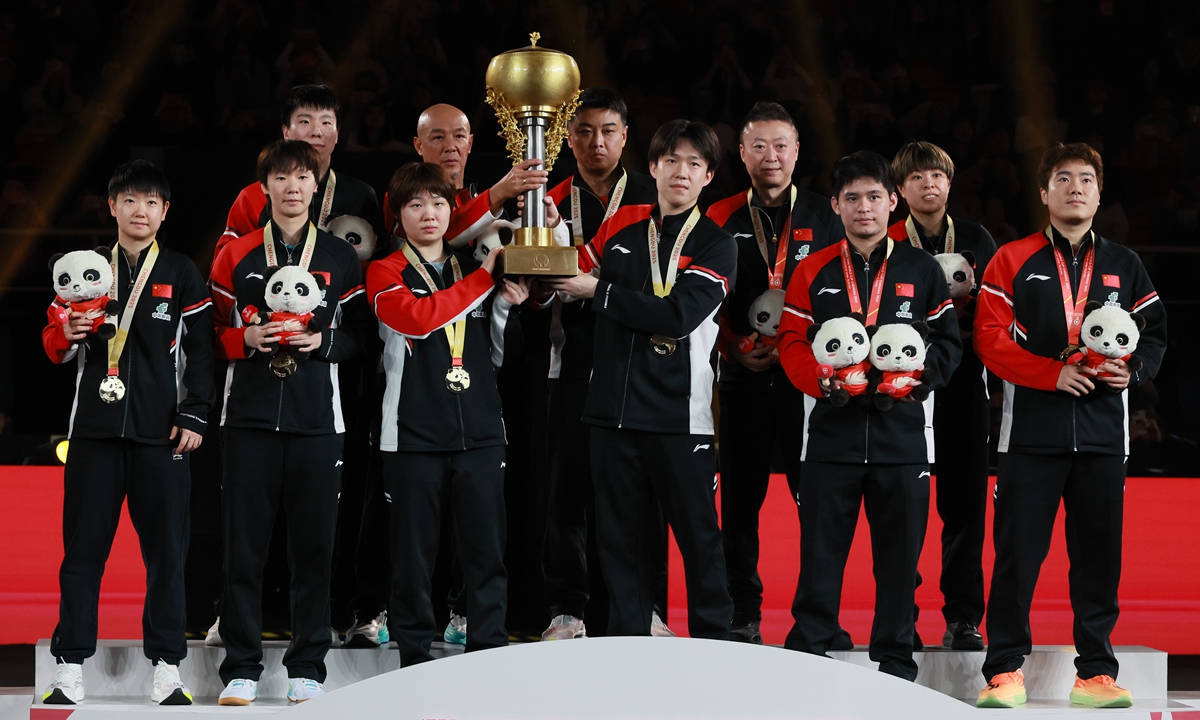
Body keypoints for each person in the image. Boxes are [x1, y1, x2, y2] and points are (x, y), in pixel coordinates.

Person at [974, 143, 1167, 709]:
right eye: (1063, 178)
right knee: (1017, 557)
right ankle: (1004, 670)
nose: (1075, 187)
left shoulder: (1125, 264)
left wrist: (1133, 371)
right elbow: (988, 338)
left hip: (1105, 437)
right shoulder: (1011, 259)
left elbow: (1154, 332)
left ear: (1100, 194)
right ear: (1044, 192)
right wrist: (1050, 374)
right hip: (1030, 437)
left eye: (1086, 179)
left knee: (1098, 560)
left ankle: (1096, 674)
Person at [202, 83, 385, 650]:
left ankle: (311, 658)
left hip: (319, 413)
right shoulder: (236, 253)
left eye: (302, 177)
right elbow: (207, 332)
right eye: (281, 177)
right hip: (248, 412)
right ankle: (239, 656)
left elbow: (361, 333)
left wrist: (324, 342)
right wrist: (244, 338)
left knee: (315, 542)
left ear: (315, 182)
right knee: (244, 542)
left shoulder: (340, 252)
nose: (292, 186)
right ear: (264, 186)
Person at [775, 150, 962, 681]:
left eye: (874, 197)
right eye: (852, 198)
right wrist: (819, 379)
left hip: (902, 441)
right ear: (835, 205)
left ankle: (897, 663)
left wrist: (922, 378)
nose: (864, 207)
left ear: (892, 201)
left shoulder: (921, 269)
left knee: (900, 564)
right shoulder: (812, 269)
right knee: (819, 559)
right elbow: (791, 341)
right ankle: (808, 657)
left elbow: (948, 342)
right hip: (829, 439)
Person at [548, 119, 736, 639]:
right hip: (611, 412)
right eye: (671, 161)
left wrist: (599, 291)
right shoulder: (622, 233)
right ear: (652, 167)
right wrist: (549, 229)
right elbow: (569, 273)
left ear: (708, 176)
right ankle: (629, 645)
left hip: (681, 415)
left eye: (694, 164)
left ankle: (716, 645)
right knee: (619, 543)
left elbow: (678, 316)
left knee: (698, 539)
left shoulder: (717, 244)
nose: (681, 172)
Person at [41, 160, 214, 706]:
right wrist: (67, 331)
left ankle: (167, 666)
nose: (141, 211)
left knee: (167, 555)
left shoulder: (181, 271)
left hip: (162, 436)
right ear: (112, 207)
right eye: (130, 200)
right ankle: (70, 666)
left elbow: (200, 351)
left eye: (152, 202)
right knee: (82, 553)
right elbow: (54, 344)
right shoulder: (86, 267)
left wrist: (195, 414)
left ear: (165, 212)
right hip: (93, 433)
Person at [366, 162, 529, 666]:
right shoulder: (385, 271)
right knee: (413, 556)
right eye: (416, 205)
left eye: (438, 203)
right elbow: (417, 320)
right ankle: (414, 658)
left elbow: (499, 355)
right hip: (412, 434)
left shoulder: (468, 267)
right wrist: (485, 280)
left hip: (480, 430)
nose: (429, 213)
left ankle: (489, 653)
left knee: (486, 553)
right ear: (399, 216)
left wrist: (505, 307)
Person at [705, 101, 845, 645]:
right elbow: (702, 299)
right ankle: (743, 610)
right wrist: (732, 346)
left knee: (817, 499)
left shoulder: (825, 214)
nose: (771, 156)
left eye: (781, 145)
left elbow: (842, 296)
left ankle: (819, 615)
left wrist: (813, 356)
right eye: (759, 146)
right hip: (744, 375)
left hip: (807, 381)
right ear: (741, 153)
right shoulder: (718, 216)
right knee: (741, 500)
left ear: (797, 151)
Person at [539, 87, 665, 641]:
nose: (597, 142)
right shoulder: (546, 199)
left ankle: (645, 608)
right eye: (585, 131)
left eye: (609, 131)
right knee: (567, 487)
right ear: (568, 139)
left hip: (637, 356)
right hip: (568, 354)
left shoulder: (652, 197)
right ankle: (567, 608)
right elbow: (534, 281)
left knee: (640, 489)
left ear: (625, 136)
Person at [886, 140, 998, 651]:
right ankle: (900, 619)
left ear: (949, 184)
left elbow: (1000, 312)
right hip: (902, 389)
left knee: (965, 508)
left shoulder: (976, 238)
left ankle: (964, 617)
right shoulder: (888, 239)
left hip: (963, 385)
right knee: (902, 510)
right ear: (899, 190)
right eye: (916, 178)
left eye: (936, 176)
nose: (928, 184)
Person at [214, 84, 384, 259]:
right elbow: (227, 263)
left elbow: (375, 264)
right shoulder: (252, 197)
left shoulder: (360, 195)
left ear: (337, 134)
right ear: (286, 132)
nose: (316, 132)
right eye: (305, 122)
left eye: (326, 123)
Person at [380, 103, 551, 248]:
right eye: (438, 137)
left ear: (469, 144)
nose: (450, 147)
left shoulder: (487, 204)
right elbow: (440, 238)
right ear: (419, 146)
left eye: (459, 136)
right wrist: (500, 192)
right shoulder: (401, 196)